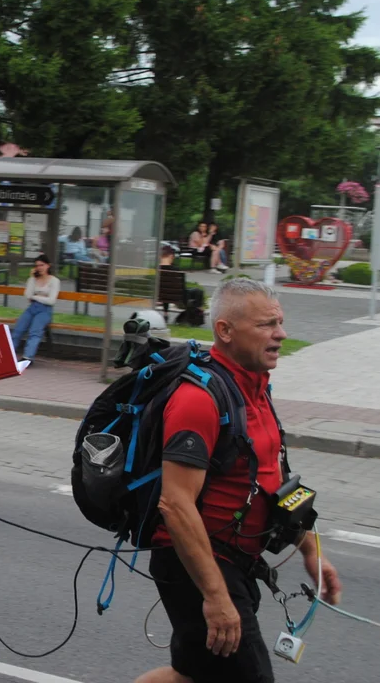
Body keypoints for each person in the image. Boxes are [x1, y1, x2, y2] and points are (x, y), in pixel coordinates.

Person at [135, 278, 342, 683]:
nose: (281, 334)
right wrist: (215, 596)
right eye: (266, 324)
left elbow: (274, 482)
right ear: (225, 331)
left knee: (190, 676)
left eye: (280, 322)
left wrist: (310, 549)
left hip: (237, 562)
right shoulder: (198, 400)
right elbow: (175, 505)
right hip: (200, 565)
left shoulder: (254, 388)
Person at [10, 254, 60, 362]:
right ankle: (9, 354)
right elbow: (28, 295)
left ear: (48, 266)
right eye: (37, 266)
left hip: (45, 310)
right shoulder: (33, 279)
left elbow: (51, 300)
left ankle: (28, 357)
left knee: (35, 332)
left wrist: (35, 296)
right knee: (18, 330)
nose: (39, 268)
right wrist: (32, 278)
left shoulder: (54, 281)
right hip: (32, 308)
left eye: (42, 265)